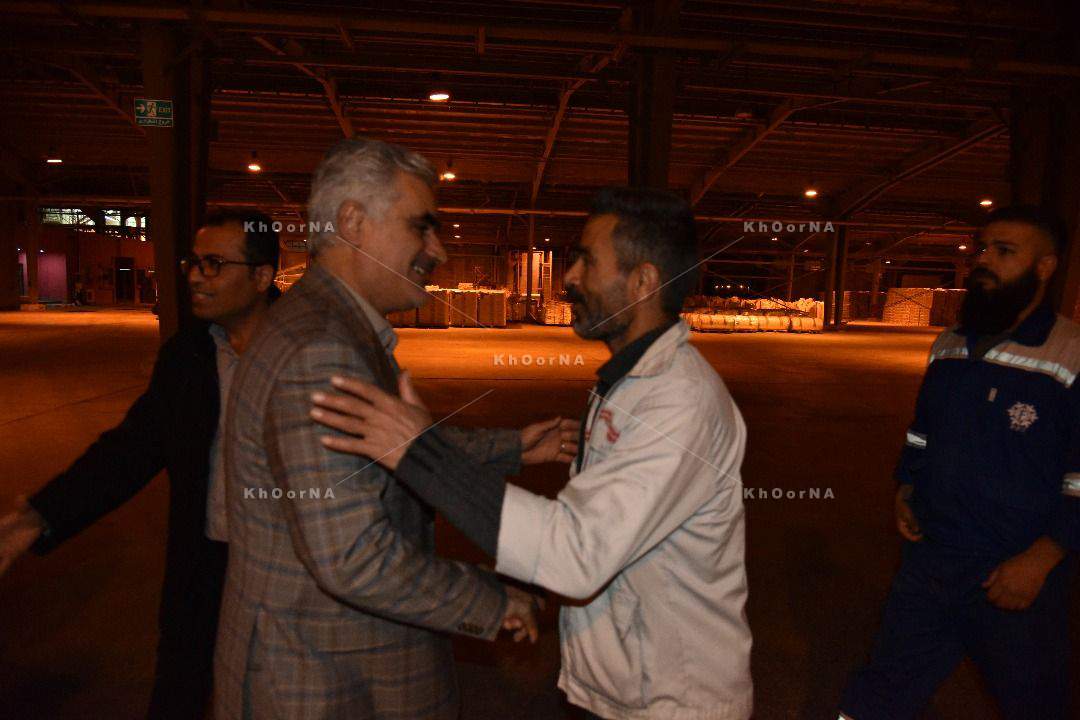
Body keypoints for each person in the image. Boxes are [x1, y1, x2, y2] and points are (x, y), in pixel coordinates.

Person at [310, 187, 755, 720]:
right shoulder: (631, 382)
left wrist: (420, 454)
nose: (570, 277)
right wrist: (524, 587)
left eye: (587, 261)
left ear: (642, 282)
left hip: (671, 702)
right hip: (622, 686)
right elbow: (605, 529)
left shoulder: (679, 402)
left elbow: (577, 553)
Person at [211, 138, 545, 720]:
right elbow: (352, 556)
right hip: (323, 681)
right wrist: (490, 599)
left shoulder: (326, 325)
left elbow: (388, 444)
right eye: (421, 227)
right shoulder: (321, 349)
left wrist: (512, 445)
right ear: (352, 223)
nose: (438, 249)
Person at [0, 209, 281, 719]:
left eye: (215, 264)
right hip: (202, 564)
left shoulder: (309, 356)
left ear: (262, 277)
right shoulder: (188, 356)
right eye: (193, 262)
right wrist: (39, 516)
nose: (195, 276)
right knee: (178, 691)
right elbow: (130, 450)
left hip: (285, 575)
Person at [838, 205, 1080, 720]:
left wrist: (1043, 558)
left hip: (1011, 571)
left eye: (1004, 251)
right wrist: (907, 485)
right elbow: (922, 431)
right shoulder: (948, 345)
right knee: (881, 690)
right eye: (983, 248)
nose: (984, 260)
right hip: (932, 558)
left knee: (1033, 701)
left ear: (1044, 267)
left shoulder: (1070, 355)